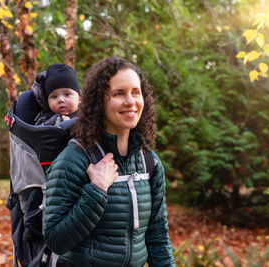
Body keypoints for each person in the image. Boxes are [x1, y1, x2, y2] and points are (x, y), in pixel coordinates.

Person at [44, 57, 176, 267]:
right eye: (119, 93)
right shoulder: (74, 160)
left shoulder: (149, 162)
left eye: (136, 92)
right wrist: (96, 190)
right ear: (99, 102)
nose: (131, 101)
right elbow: (55, 241)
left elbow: (158, 236)